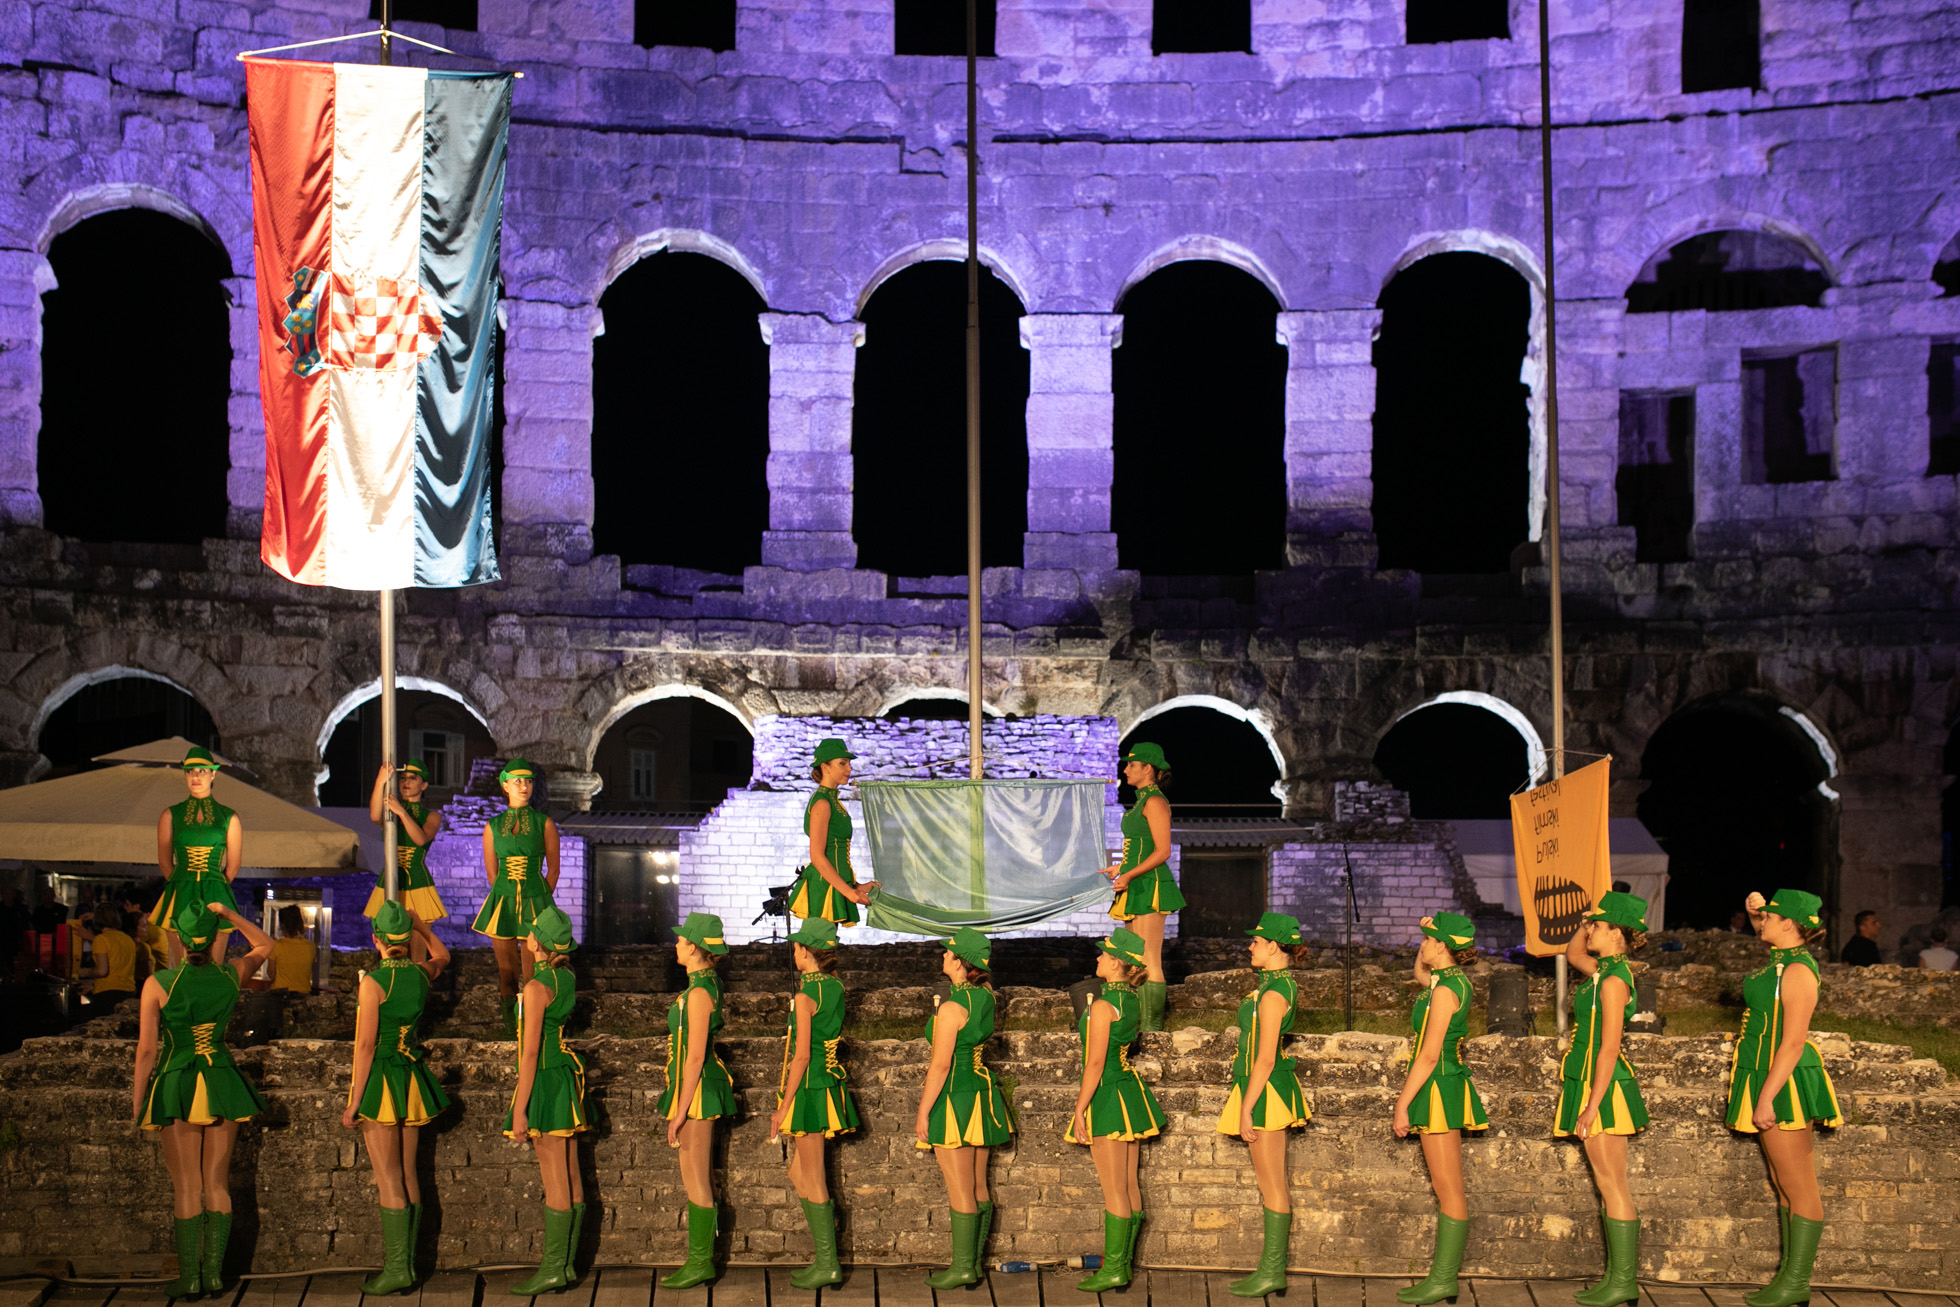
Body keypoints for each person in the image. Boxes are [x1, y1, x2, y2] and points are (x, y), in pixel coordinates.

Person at [132, 902, 274, 1299]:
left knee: (186, 1185)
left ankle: (191, 1277)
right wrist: (230, 915)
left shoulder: (159, 982)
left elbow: (146, 1050)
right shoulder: (230, 974)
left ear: (178, 939)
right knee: (217, 1182)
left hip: (178, 1081)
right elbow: (266, 945)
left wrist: (139, 1100)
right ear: (213, 940)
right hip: (221, 1079)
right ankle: (213, 1275)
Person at [1730, 889, 1841, 1307]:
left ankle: (1796, 1282)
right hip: (1765, 1071)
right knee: (1782, 1183)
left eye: (1772, 917)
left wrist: (1765, 1099)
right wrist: (1755, 913)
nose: (1763, 922)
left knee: (1799, 1185)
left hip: (1784, 1080)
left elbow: (1793, 1042)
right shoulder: (1782, 961)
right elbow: (1767, 931)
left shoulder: (1797, 970)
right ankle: (1788, 1280)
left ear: (1789, 924)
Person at [342, 901, 452, 1296]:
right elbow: (443, 956)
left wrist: (355, 1100)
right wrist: (422, 927)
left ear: (376, 939)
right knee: (408, 1173)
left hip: (383, 1079)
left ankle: (396, 1269)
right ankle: (409, 1265)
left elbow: (365, 1045)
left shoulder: (373, 982)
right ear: (405, 939)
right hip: (411, 1076)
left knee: (388, 1178)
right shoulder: (421, 973)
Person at [1556, 893, 1653, 1307]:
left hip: (1606, 1087)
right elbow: (1572, 953)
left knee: (1613, 1183)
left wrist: (1593, 1105)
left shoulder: (1613, 981)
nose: (1590, 930)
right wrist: (1585, 923)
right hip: (1590, 1080)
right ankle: (1616, 1277)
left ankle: (1624, 1283)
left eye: (1598, 926)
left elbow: (1610, 1048)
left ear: (1617, 934)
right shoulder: (1603, 971)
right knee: (1605, 1182)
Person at [1392, 912, 1488, 1306]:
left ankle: (1445, 1279)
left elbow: (1429, 1055)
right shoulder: (1445, 980)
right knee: (1445, 1186)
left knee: (1448, 1188)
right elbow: (1421, 972)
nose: (1423, 945)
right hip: (1438, 1082)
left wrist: (1402, 1104)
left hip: (1439, 1085)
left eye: (1429, 940)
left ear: (1444, 947)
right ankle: (1441, 1278)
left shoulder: (1446, 990)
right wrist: (1428, 934)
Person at [1065, 927, 1166, 1293]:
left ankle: (1114, 1269)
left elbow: (1094, 1064)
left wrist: (1080, 1109)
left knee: (1114, 1191)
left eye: (1103, 955)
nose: (1097, 958)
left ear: (1115, 963)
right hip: (1128, 1089)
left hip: (1107, 1094)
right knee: (1128, 1183)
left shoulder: (1102, 1006)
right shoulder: (1131, 999)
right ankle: (1123, 1264)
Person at [1216, 913, 1311, 1298]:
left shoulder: (1274, 993)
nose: (1249, 946)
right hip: (1260, 1085)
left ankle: (1273, 1272)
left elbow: (1267, 1057)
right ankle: (1270, 1270)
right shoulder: (1274, 985)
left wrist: (1246, 1107)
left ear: (1273, 947)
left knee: (1272, 1183)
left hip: (1266, 1089)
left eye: (1256, 942)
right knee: (1268, 1182)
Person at [916, 926, 1014, 1289]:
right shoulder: (985, 996)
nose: (944, 955)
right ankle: (973, 1264)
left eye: (949, 952)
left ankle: (962, 1267)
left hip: (954, 1097)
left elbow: (940, 1065)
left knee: (960, 1189)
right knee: (978, 1185)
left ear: (960, 963)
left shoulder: (952, 1008)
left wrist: (923, 1111)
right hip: (979, 1093)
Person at [503, 906, 591, 1296]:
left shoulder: (537, 988)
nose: (525, 937)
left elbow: (529, 1053)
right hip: (563, 1076)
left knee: (555, 1179)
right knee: (570, 1174)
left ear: (537, 943)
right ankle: (567, 1265)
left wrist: (520, 1109)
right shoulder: (565, 977)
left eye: (530, 933)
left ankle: (554, 1268)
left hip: (544, 1080)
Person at [768, 917, 859, 1289]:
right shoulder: (835, 986)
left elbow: (802, 1055)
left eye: (797, 947)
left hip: (809, 1088)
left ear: (808, 952)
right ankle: (826, 1255)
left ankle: (828, 1263)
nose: (794, 952)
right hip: (828, 1083)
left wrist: (783, 1106)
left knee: (814, 1177)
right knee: (798, 1174)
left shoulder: (805, 997)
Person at [657, 912, 737, 1289]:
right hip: (694, 1085)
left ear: (694, 948)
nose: (676, 944)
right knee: (695, 1176)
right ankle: (700, 1261)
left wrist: (680, 1111)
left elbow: (695, 1056)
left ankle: (701, 1263)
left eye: (681, 939)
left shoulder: (701, 991)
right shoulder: (701, 985)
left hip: (699, 1088)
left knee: (696, 1178)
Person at [471, 759, 561, 1038]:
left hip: (536, 900)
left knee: (534, 970)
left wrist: (541, 901)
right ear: (505, 785)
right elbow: (491, 872)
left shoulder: (544, 822)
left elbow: (554, 870)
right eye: (518, 781)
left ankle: (534, 1028)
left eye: (529, 781)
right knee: (506, 972)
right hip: (503, 901)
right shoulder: (492, 826)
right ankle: (511, 1029)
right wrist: (506, 895)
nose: (524, 786)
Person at [1101, 743, 1182, 1031]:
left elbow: (1163, 851)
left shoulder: (1155, 801)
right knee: (1133, 956)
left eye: (1131, 765)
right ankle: (1136, 1023)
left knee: (1148, 958)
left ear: (1148, 768)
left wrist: (1129, 873)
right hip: (1136, 881)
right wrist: (1121, 868)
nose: (1125, 770)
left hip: (1149, 884)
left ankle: (1153, 1029)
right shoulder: (1141, 801)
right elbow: (1141, 847)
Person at [149, 748, 242, 969]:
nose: (195, 776)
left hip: (214, 890)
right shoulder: (170, 814)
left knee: (214, 965)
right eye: (190, 771)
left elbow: (234, 865)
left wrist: (216, 887)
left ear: (213, 774)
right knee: (181, 965)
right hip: (181, 890)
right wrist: (181, 884)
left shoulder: (229, 817)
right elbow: (164, 861)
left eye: (202, 771)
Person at [788, 739, 878, 926]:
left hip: (833, 885)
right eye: (842, 763)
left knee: (826, 942)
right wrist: (850, 893)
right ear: (825, 767)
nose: (849, 769)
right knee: (819, 942)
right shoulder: (822, 803)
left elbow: (835, 853)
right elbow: (817, 856)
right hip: (823, 887)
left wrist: (857, 886)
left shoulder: (832, 802)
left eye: (849, 763)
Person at [366, 761, 449, 963]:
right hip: (390, 879)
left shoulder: (431, 816)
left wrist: (402, 812)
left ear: (423, 785)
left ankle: (418, 979)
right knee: (387, 939)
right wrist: (380, 782)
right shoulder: (391, 809)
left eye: (413, 778)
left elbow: (420, 839)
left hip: (417, 881)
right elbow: (375, 816)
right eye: (403, 777)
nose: (406, 782)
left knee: (418, 947)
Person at [85, 902, 141, 1014]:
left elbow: (102, 971)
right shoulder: (128, 939)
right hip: (128, 991)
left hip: (107, 993)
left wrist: (86, 972)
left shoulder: (101, 939)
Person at [268, 904, 317, 995]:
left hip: (280, 994)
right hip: (303, 994)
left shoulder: (276, 945)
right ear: (300, 923)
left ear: (282, 925)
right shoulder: (310, 946)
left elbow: (271, 974)